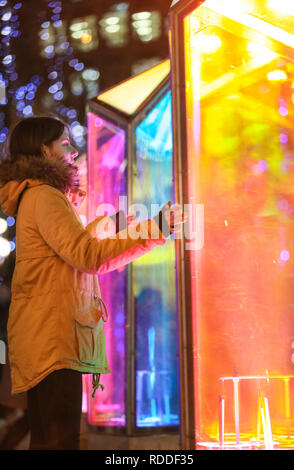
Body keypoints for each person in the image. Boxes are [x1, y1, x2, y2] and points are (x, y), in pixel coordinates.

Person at [0, 116, 185, 450]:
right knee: (60, 442)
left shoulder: (37, 196)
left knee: (48, 440)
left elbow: (64, 251)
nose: (72, 152)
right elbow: (88, 257)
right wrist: (155, 228)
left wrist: (107, 226)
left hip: (44, 336)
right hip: (53, 339)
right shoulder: (45, 196)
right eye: (65, 144)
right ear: (46, 149)